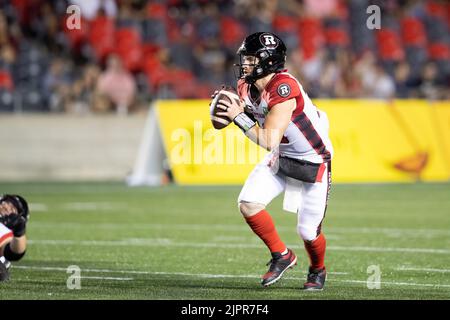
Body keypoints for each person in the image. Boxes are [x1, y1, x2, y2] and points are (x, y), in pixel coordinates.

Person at [215, 32, 333, 290]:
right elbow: (254, 116)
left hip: (312, 160)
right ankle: (282, 255)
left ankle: (317, 269)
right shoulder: (246, 86)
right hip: (282, 156)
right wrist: (232, 109)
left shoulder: (283, 87)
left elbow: (268, 138)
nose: (244, 64)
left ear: (267, 61)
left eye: (250, 59)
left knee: (308, 232)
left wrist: (238, 117)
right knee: (248, 203)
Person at [0, 194, 29, 282]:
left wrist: (19, 232)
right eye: (9, 203)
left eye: (13, 210)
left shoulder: (2, 228)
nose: (7, 208)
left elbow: (13, 253)